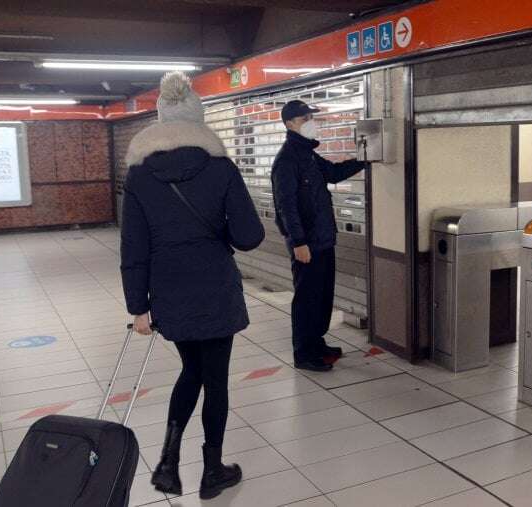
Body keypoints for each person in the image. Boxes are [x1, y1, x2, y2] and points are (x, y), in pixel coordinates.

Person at [120, 71, 264, 500]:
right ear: (198, 120)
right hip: (215, 290)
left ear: (161, 121)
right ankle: (212, 470)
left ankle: (167, 461)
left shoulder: (141, 176)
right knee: (213, 378)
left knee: (191, 370)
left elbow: (133, 246)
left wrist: (138, 307)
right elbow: (250, 236)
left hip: (169, 293)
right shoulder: (220, 168)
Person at [271, 100, 369, 372]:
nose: (311, 122)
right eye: (305, 119)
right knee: (306, 299)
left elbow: (334, 174)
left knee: (322, 295)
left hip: (323, 239)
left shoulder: (307, 155)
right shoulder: (287, 159)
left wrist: (364, 159)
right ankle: (304, 353)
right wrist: (298, 242)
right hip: (307, 244)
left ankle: (316, 342)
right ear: (290, 123)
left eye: (311, 118)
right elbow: (286, 205)